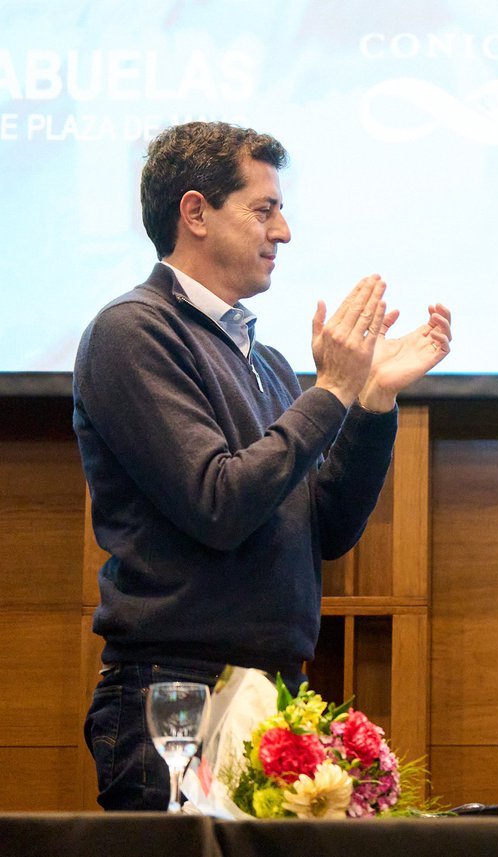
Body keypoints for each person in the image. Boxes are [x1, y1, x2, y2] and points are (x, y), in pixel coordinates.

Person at [72, 121, 452, 812]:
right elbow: (219, 503)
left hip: (276, 690)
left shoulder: (266, 360)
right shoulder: (132, 332)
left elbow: (327, 529)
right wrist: (330, 391)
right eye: (263, 208)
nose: (283, 232)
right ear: (195, 213)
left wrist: (368, 402)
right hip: (176, 693)